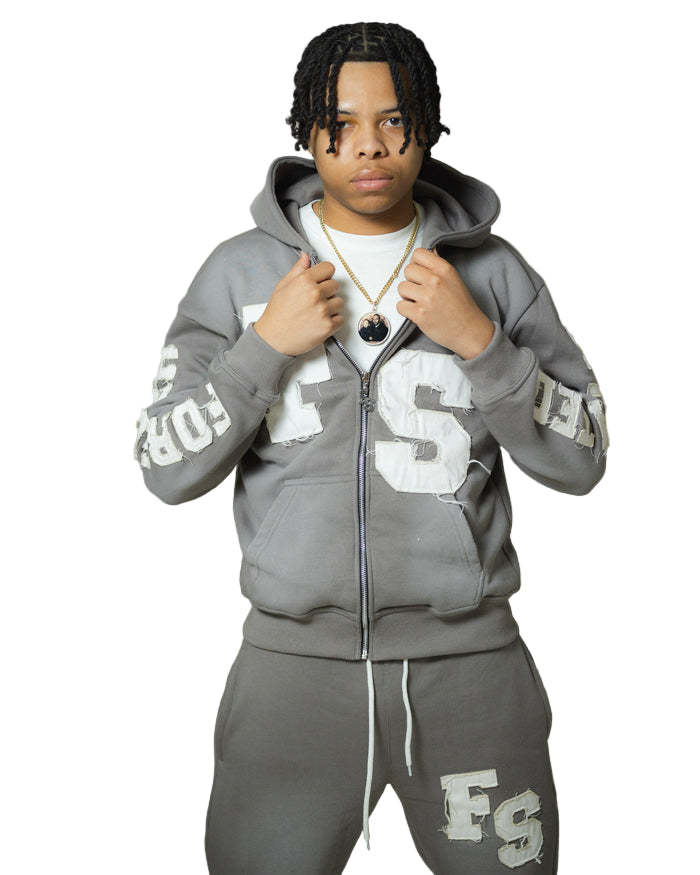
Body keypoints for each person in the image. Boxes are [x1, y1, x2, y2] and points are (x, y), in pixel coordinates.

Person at [133, 20, 609, 875]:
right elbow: (165, 467)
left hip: (471, 675)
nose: (370, 146)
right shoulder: (239, 276)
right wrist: (263, 348)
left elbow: (584, 456)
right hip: (291, 682)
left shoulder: (494, 274)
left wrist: (481, 343)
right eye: (340, 123)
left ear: (427, 123)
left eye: (394, 119)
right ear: (306, 131)